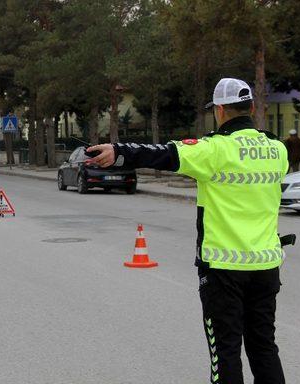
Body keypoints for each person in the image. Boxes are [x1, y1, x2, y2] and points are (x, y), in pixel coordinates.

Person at [87, 78, 288, 384]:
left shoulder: (215, 149)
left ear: (219, 110)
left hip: (224, 270)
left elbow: (164, 153)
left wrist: (119, 150)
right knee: (264, 347)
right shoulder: (278, 149)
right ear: (251, 107)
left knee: (226, 351)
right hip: (266, 267)